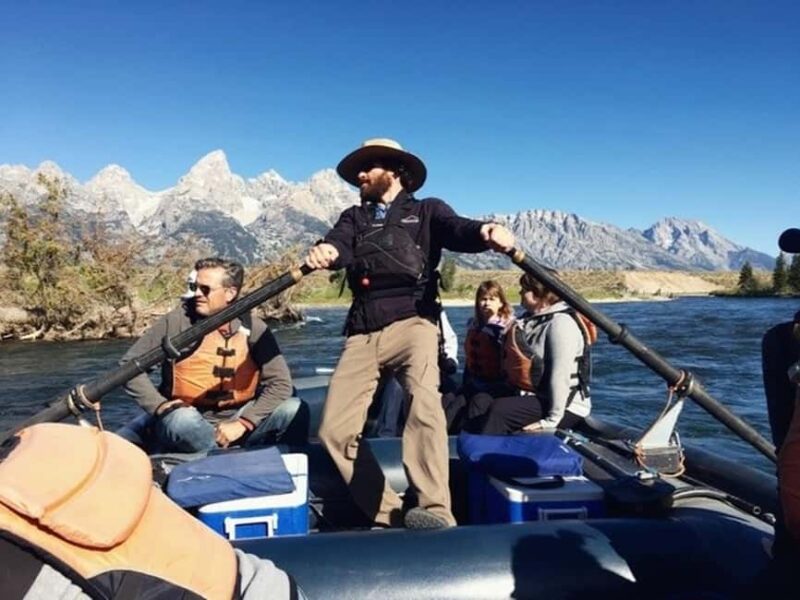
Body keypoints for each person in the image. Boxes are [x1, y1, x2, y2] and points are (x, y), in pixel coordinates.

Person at [304, 138, 515, 529]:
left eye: (368, 167)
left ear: (395, 171)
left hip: (414, 322)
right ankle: (393, 515)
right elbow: (338, 245)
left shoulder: (428, 211)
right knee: (333, 431)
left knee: (424, 405)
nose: (360, 175)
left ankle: (436, 510)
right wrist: (326, 251)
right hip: (363, 331)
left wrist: (486, 230)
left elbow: (458, 229)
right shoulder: (353, 217)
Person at [117, 257, 304, 454]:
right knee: (182, 421)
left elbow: (280, 383)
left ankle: (222, 454)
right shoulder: (176, 322)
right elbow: (128, 366)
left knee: (293, 408)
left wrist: (244, 422)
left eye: (205, 289)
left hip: (237, 418)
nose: (197, 294)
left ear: (230, 293)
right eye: (194, 287)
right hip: (186, 419)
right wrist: (159, 406)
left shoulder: (254, 327)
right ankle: (223, 456)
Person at [468, 270, 595, 435]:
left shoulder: (561, 324)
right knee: (480, 399)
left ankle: (489, 449)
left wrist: (552, 419)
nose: (520, 292)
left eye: (524, 289)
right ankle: (472, 445)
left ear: (538, 294)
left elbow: (561, 375)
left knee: (500, 410)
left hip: (565, 405)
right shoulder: (530, 321)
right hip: (535, 395)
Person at [462, 279, 516, 397]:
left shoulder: (508, 326)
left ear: (501, 303)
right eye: (483, 299)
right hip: (474, 381)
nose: (487, 303)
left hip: (498, 384)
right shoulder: (472, 324)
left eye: (492, 299)